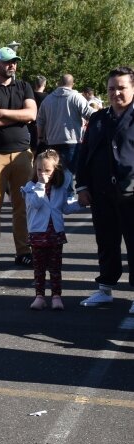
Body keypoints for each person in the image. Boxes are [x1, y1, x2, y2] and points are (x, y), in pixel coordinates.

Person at [76, 66, 134, 313]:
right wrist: (82, 185)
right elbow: (84, 153)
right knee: (106, 242)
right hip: (101, 193)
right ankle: (105, 289)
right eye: (111, 88)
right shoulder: (98, 119)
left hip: (131, 194)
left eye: (121, 88)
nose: (116, 93)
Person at [0, 46, 38, 271]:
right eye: (7, 62)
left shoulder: (24, 86)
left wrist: (2, 113)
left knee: (22, 207)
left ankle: (23, 251)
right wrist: (19, 117)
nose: (12, 65)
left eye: (14, 61)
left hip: (22, 153)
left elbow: (32, 114)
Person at [21, 150, 83, 310]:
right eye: (39, 169)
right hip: (38, 234)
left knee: (55, 268)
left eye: (47, 170)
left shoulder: (59, 189)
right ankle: (39, 296)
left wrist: (80, 204)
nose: (42, 173)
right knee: (39, 269)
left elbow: (64, 208)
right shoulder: (30, 187)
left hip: (55, 234)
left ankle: (56, 296)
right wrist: (40, 184)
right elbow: (36, 204)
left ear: (56, 171)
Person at [29, 75, 48, 153]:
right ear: (45, 84)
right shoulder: (48, 98)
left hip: (31, 127)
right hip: (44, 129)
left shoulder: (29, 96)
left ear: (35, 84)